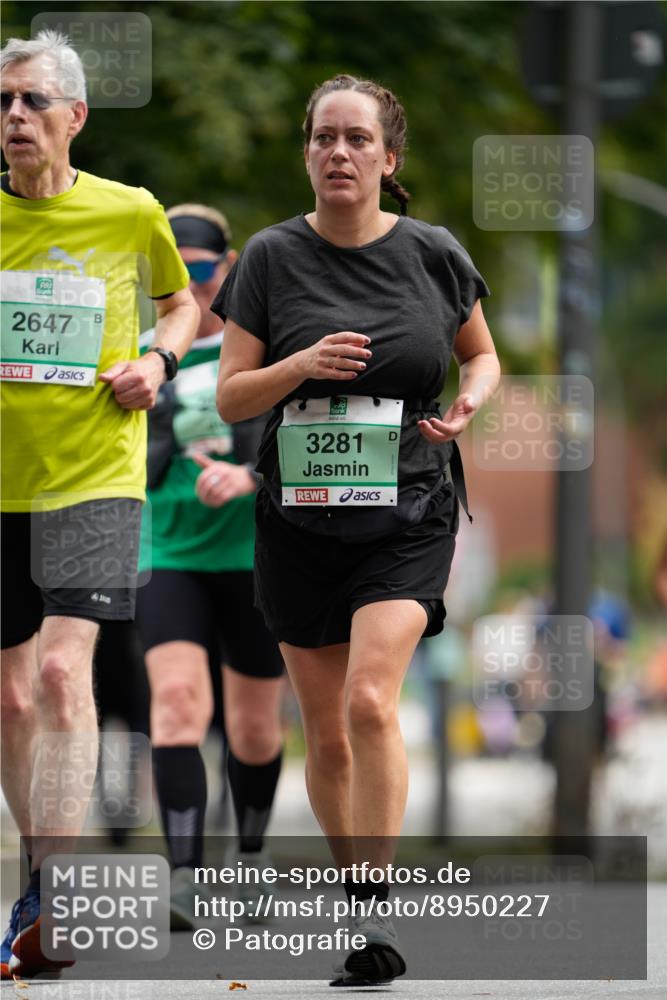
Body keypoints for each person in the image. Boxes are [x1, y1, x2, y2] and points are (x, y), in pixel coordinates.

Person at [212, 74, 501, 987]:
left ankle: (375, 910)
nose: (338, 153)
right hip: (298, 522)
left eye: (356, 139)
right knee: (325, 733)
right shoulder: (267, 257)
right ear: (307, 152)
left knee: (372, 702)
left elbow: (482, 354)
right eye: (323, 138)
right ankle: (355, 906)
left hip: (406, 512)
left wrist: (469, 405)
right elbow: (229, 395)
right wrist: (298, 363)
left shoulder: (433, 254)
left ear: (388, 157)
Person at [0, 31, 198, 979]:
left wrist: (157, 361)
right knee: (7, 694)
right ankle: (37, 876)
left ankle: (49, 895)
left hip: (93, 479)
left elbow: (182, 303)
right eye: (3, 103)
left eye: (33, 101)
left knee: (58, 680)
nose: (14, 118)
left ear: (75, 116)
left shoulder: (130, 213)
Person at [136, 203, 285, 930]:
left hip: (253, 556)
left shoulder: (261, 349)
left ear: (225, 270)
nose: (191, 288)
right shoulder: (145, 353)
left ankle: (250, 861)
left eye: (202, 271)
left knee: (255, 728)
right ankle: (185, 876)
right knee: (176, 705)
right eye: (176, 273)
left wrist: (251, 478)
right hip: (165, 550)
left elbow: (300, 436)